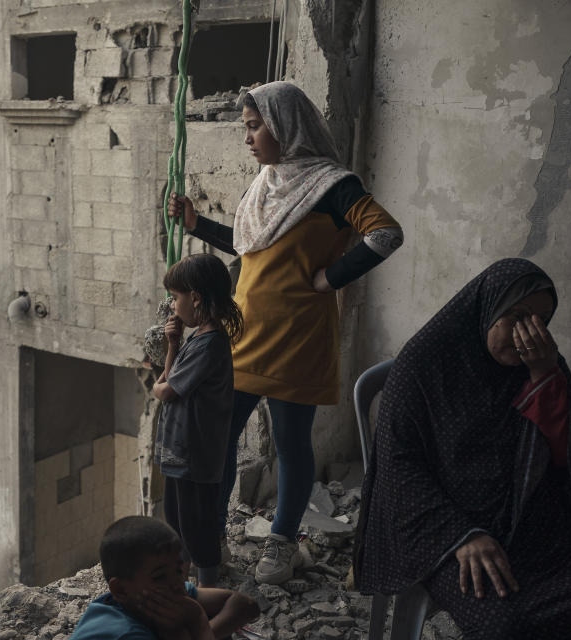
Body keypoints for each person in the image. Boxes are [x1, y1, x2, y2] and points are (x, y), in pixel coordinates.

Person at [168, 81, 404, 584]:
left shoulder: (333, 186)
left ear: (285, 126)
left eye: (255, 127)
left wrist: (331, 277)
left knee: (291, 441)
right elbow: (252, 248)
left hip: (299, 336)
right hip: (242, 333)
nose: (247, 138)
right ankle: (209, 541)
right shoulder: (267, 184)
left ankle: (281, 542)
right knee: (219, 440)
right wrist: (197, 225)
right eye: (247, 128)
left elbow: (385, 233)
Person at [353, 258, 571, 639]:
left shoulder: (540, 360)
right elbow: (398, 467)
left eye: (542, 318)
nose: (530, 332)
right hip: (449, 531)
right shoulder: (423, 364)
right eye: (517, 316)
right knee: (504, 623)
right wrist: (461, 535)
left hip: (535, 526)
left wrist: (545, 379)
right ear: (487, 310)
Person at [151, 254, 243, 587]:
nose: (173, 306)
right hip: (181, 454)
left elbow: (166, 389)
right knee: (177, 521)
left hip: (195, 456)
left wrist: (158, 386)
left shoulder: (211, 344)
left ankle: (208, 591)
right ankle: (186, 585)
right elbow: (169, 377)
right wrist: (173, 344)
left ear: (196, 298)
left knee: (198, 527)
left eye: (176, 298)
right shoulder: (195, 339)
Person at [71, 516, 259, 640]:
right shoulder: (124, 634)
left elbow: (247, 606)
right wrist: (197, 622)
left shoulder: (150, 597)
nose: (177, 584)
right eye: (159, 576)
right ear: (120, 590)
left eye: (178, 570)